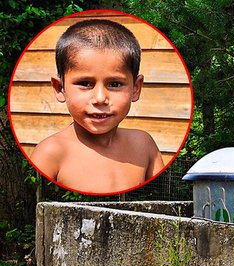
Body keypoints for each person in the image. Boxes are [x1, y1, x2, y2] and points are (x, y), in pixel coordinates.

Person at [30, 19, 164, 194]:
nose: (100, 98)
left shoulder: (144, 145)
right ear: (59, 88)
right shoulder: (50, 153)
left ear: (135, 88)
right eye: (85, 83)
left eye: (115, 84)